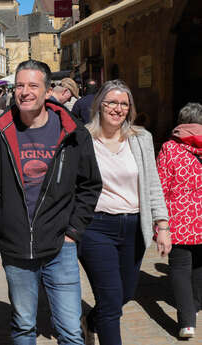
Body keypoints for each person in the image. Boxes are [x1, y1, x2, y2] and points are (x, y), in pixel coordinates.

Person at [0, 59, 102, 345]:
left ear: (47, 91)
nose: (25, 92)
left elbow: (90, 185)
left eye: (33, 85)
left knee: (71, 330)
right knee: (23, 326)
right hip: (15, 249)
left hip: (61, 247)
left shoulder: (73, 132)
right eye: (20, 85)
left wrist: (73, 232)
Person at [79, 80, 172, 345]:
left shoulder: (141, 138)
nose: (117, 109)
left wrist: (162, 226)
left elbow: (153, 184)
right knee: (110, 300)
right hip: (96, 228)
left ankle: (90, 321)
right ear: (100, 105)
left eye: (124, 104)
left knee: (125, 294)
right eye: (112, 102)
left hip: (134, 228)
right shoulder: (83, 138)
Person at [156, 102, 202, 338]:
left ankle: (187, 322)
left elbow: (160, 186)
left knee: (181, 267)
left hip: (179, 220)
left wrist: (158, 224)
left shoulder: (169, 148)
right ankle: (194, 305)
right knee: (198, 265)